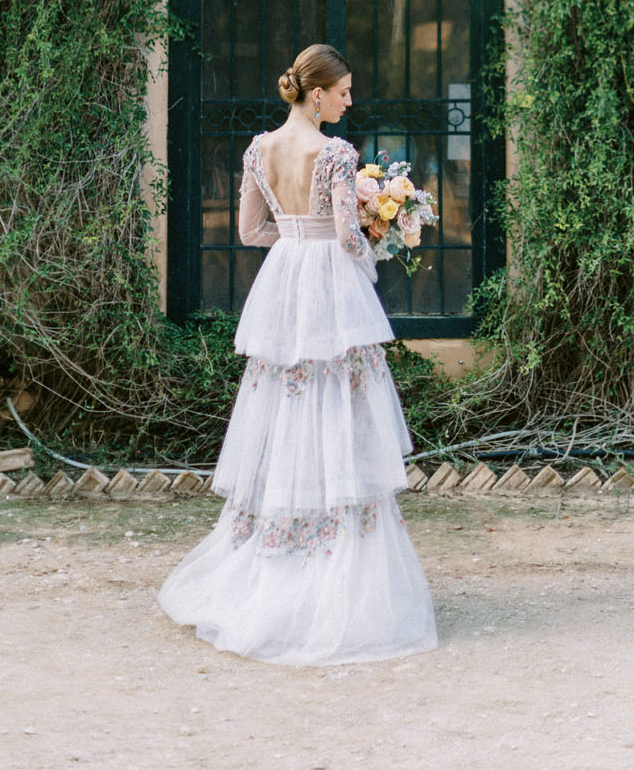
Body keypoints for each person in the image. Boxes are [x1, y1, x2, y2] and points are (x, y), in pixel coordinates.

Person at [157, 42, 437, 665]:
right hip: (327, 282)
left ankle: (274, 553)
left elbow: (247, 232)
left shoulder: (259, 149)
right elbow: (343, 235)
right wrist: (376, 237)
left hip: (284, 275)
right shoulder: (335, 153)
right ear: (318, 94)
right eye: (343, 92)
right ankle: (335, 568)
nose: (349, 100)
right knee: (339, 398)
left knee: (283, 403)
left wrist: (291, 235)